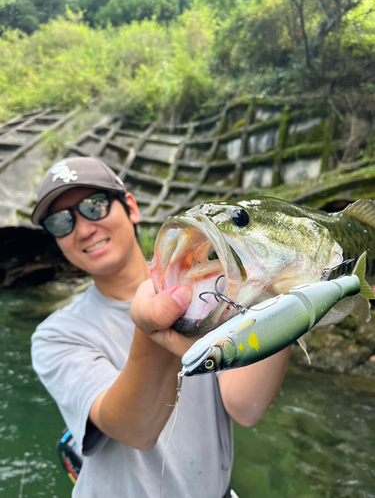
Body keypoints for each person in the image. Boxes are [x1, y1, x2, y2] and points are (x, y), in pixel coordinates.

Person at [31, 157, 291, 498]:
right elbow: (135, 430)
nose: (83, 228)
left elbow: (245, 405)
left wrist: (284, 297)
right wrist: (152, 329)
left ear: (131, 208)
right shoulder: (55, 336)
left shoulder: (215, 290)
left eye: (94, 206)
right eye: (60, 221)